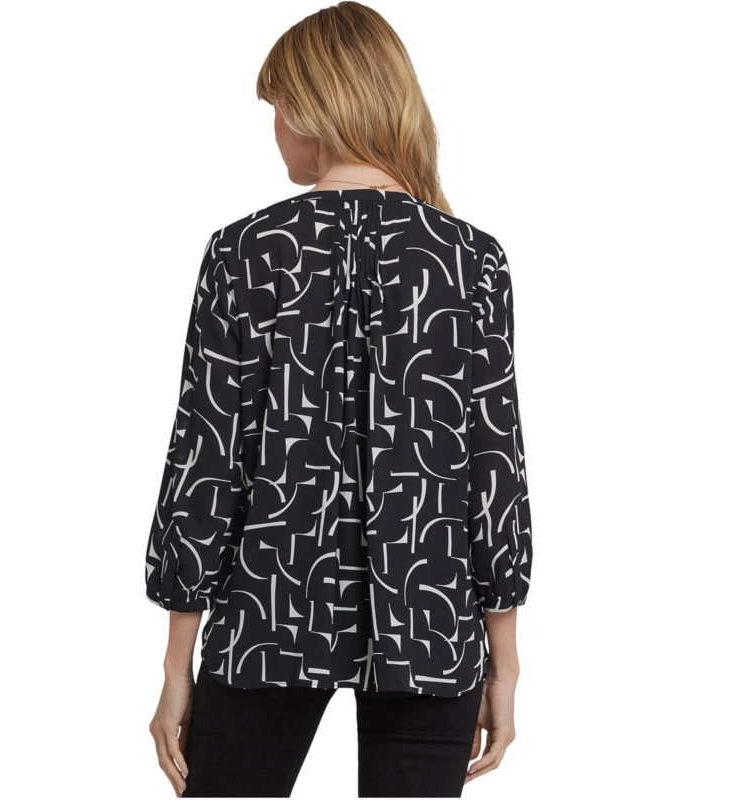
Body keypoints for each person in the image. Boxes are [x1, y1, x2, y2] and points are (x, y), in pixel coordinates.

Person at [144, 3, 533, 797]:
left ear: (305, 107)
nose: (274, 129)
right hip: (430, 618)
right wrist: (506, 660)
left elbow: (206, 462)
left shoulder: (246, 251)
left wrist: (176, 664)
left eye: (274, 106)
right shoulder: (471, 261)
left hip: (268, 611)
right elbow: (494, 469)